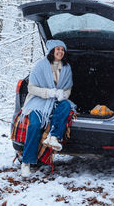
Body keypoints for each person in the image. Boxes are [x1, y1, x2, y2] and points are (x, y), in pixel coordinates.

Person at [20, 39, 75, 178]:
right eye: (58, 49)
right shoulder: (40, 66)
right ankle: (26, 162)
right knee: (36, 125)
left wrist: (63, 94)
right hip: (38, 101)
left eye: (62, 50)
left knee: (67, 105)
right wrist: (48, 92)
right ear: (52, 51)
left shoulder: (66, 68)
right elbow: (31, 88)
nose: (60, 52)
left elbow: (68, 87)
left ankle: (53, 136)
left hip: (56, 100)